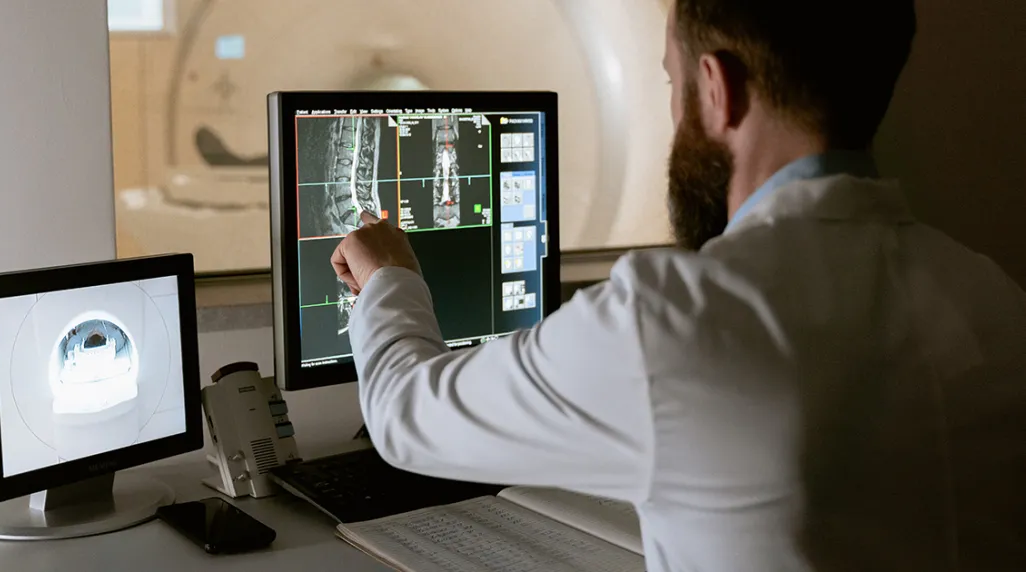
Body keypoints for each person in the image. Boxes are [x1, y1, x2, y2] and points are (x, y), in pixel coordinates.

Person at [331, 0, 1026, 569]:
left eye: (672, 84)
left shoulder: (673, 319)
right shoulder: (991, 297)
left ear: (718, 89)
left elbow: (404, 415)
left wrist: (389, 274)